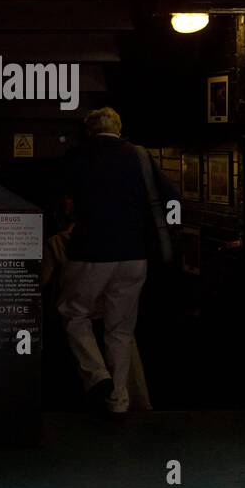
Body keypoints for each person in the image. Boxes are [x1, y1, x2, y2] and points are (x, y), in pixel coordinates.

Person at [57, 107, 175, 418]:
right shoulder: (140, 156)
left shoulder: (78, 156)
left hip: (91, 253)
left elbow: (62, 198)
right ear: (119, 128)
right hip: (134, 255)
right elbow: (171, 196)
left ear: (89, 130)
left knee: (73, 314)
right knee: (121, 329)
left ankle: (97, 376)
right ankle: (119, 401)